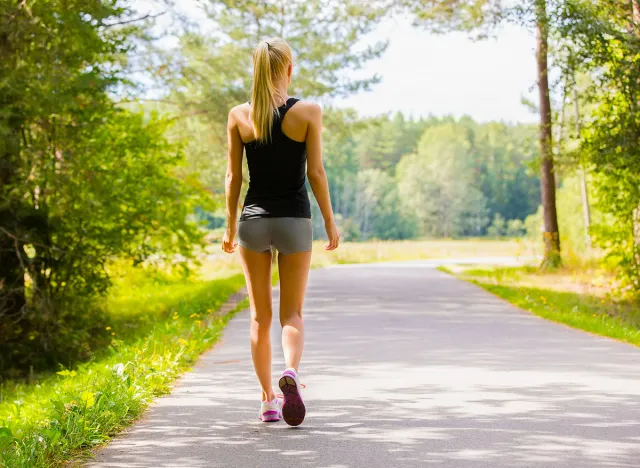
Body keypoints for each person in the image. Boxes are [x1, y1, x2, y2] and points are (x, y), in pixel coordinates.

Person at [222, 37, 340, 427]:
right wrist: (329, 220)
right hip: (294, 221)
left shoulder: (239, 116)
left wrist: (227, 226)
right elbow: (317, 174)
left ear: (255, 70)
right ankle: (290, 371)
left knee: (260, 317)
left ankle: (268, 400)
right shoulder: (308, 112)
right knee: (292, 313)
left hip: (253, 222)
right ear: (288, 69)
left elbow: (233, 177)